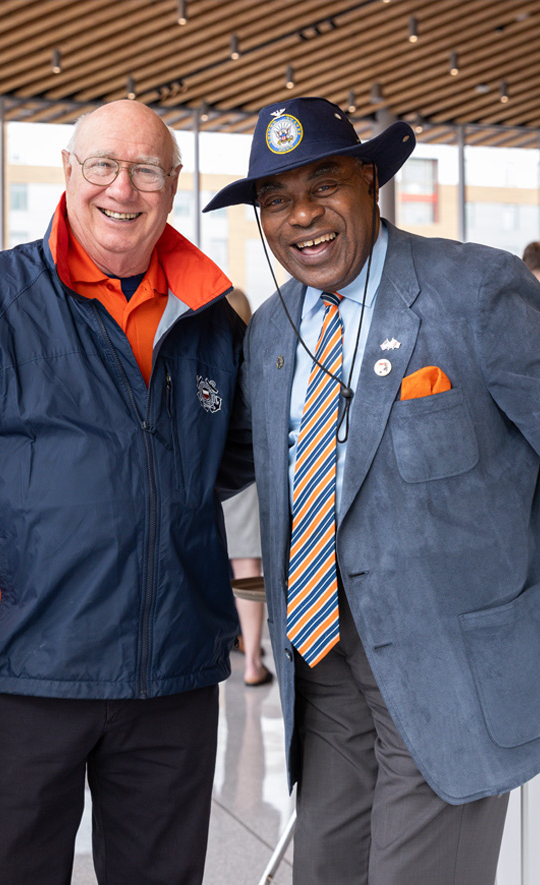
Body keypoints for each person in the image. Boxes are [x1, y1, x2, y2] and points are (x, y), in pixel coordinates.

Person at [204, 96, 540, 884]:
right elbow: (231, 463)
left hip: (449, 672)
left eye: (323, 185)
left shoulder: (475, 291)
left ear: (370, 183)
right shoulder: (274, 332)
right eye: (276, 200)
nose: (302, 216)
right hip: (322, 670)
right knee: (324, 870)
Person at [0, 99, 251, 884]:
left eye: (146, 169)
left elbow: (226, 459)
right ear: (68, 174)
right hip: (26, 667)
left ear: (173, 185)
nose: (124, 188)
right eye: (103, 165)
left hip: (172, 673)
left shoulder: (212, 319)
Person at [222, 290, 271, 687]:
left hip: (210, 472)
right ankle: (253, 660)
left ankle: (227, 645)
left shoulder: (206, 352)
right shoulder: (256, 351)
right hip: (247, 475)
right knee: (246, 569)